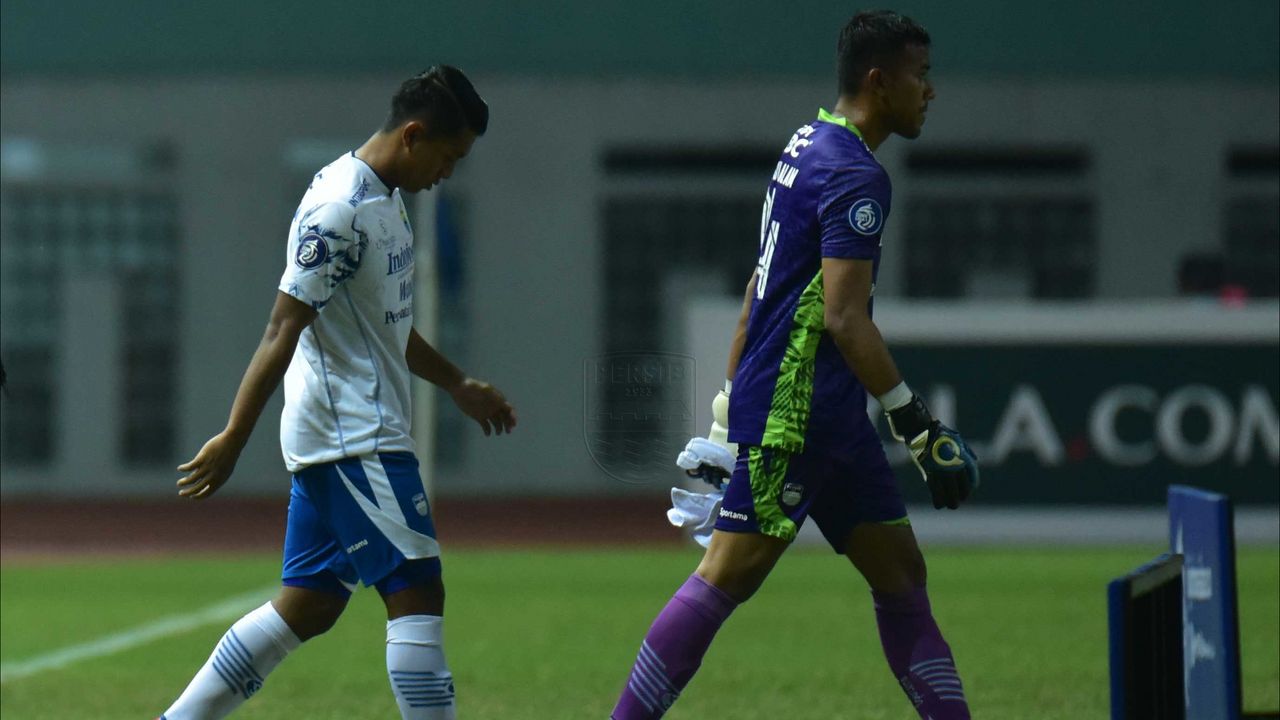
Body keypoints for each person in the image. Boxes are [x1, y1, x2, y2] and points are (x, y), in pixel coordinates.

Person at [611, 12, 978, 720]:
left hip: (828, 415)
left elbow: (762, 285)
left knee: (902, 575)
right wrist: (919, 428)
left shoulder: (805, 144)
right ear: (879, 80)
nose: (929, 91)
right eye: (920, 75)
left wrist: (726, 403)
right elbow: (844, 318)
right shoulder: (855, 175)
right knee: (725, 578)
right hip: (798, 414)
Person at [159, 65, 516, 720]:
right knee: (416, 592)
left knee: (311, 604)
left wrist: (457, 383)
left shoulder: (386, 200)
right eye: (449, 155)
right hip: (357, 437)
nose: (449, 172)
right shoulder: (341, 209)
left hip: (349, 434)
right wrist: (233, 437)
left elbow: (387, 329)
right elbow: (281, 328)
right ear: (413, 136)